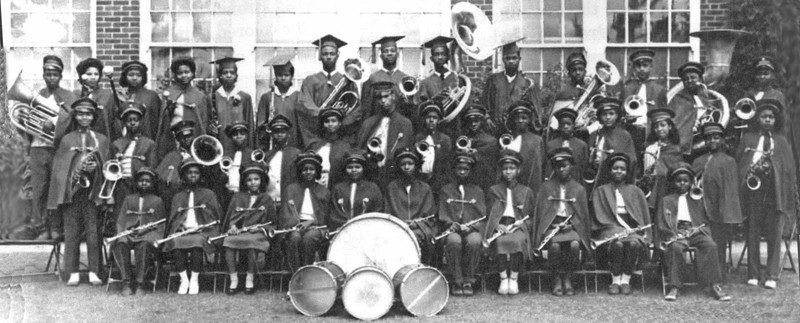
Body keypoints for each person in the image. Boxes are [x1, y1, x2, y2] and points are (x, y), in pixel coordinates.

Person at [10, 55, 78, 241]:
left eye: (55, 74)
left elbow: (71, 121)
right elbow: (24, 121)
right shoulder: (37, 95)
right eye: (48, 73)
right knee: (39, 189)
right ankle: (40, 228)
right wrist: (29, 122)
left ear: (60, 75)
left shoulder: (69, 96)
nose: (51, 77)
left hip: (58, 149)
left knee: (56, 188)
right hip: (38, 148)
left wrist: (54, 124)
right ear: (43, 74)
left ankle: (56, 228)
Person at [47, 98, 110, 286]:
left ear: (93, 116)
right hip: (71, 192)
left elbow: (107, 165)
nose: (84, 117)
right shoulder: (67, 139)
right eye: (81, 114)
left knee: (93, 232)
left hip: (93, 192)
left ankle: (94, 271)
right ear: (75, 116)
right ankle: (72, 271)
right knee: (71, 231)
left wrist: (95, 167)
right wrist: (74, 171)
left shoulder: (101, 139)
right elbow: (59, 168)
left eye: (88, 114)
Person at [735, 99, 797, 289]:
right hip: (754, 193)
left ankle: (771, 274)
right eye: (764, 116)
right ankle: (753, 273)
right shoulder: (748, 138)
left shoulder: (781, 141)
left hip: (774, 193)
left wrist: (772, 168)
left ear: (775, 120)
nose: (768, 120)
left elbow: (789, 170)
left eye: (771, 117)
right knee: (752, 233)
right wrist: (751, 171)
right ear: (758, 118)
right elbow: (740, 164)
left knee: (774, 235)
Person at [657, 164, 730, 302]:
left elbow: (706, 220)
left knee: (710, 246)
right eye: (678, 181)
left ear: (691, 182)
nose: (682, 184)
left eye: (686, 181)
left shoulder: (698, 198)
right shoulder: (667, 200)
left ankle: (714, 284)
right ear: (673, 182)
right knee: (676, 248)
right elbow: (662, 222)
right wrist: (672, 234)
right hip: (677, 232)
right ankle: (675, 286)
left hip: (696, 231)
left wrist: (697, 229)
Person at [533, 147, 591, 297]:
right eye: (558, 166)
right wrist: (552, 223)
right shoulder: (546, 187)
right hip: (552, 226)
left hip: (572, 227)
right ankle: (557, 277)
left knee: (574, 244)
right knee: (555, 247)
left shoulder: (579, 189)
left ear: (571, 166)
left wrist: (572, 225)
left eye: (564, 165)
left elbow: (582, 216)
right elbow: (542, 214)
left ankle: (569, 277)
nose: (561, 169)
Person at [591, 152, 650, 295]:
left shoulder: (636, 191)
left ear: (627, 171)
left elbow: (642, 217)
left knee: (634, 244)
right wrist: (616, 230)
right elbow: (600, 216)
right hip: (608, 228)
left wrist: (637, 229)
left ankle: (626, 279)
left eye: (622, 169)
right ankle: (615, 279)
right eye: (615, 168)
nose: (619, 171)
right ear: (610, 170)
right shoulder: (601, 190)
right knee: (617, 244)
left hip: (631, 230)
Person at [163, 157, 222, 295]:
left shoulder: (209, 194)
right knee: (177, 242)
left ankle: (194, 279)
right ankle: (184, 279)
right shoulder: (178, 196)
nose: (193, 175)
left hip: (203, 231)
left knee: (197, 243)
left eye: (196, 172)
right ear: (184, 176)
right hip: (183, 231)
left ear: (200, 175)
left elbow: (215, 215)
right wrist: (179, 227)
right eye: (189, 173)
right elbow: (174, 218)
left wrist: (203, 225)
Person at [691, 122, 743, 277]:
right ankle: (702, 274)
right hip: (700, 209)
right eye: (708, 138)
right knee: (703, 242)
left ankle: (719, 276)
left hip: (720, 210)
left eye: (716, 137)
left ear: (722, 140)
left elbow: (731, 189)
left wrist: (726, 211)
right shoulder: (698, 161)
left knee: (719, 244)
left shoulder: (729, 161)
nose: (712, 141)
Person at [221, 162, 277, 295]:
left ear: (261, 181)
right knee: (228, 241)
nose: (253, 183)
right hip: (240, 232)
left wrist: (259, 229)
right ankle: (233, 278)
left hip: (256, 232)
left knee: (252, 242)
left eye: (256, 179)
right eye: (249, 180)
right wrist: (233, 226)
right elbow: (232, 216)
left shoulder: (266, 198)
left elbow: (272, 222)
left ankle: (250, 277)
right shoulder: (238, 196)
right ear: (245, 182)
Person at [484, 150, 535, 296]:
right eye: (505, 169)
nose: (508, 172)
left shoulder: (526, 191)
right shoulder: (494, 190)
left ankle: (514, 277)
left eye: (512, 168)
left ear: (518, 170)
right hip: (500, 226)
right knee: (500, 242)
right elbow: (489, 214)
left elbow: (531, 216)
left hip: (518, 226)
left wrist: (522, 225)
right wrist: (496, 225)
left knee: (518, 241)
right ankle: (503, 278)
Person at [297, 35, 361, 145]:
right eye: (325, 54)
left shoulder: (347, 81)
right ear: (320, 56)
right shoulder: (310, 81)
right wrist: (323, 115)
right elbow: (304, 105)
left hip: (341, 136)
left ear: (337, 55)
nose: (329, 57)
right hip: (316, 135)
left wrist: (340, 124)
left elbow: (356, 109)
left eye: (332, 54)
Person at [110, 167, 166, 295]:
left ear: (152, 183)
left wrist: (147, 232)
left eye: (147, 181)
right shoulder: (129, 199)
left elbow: (160, 223)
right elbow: (121, 220)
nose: (144, 183)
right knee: (120, 243)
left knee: (144, 245)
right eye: (141, 180)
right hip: (129, 233)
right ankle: (126, 282)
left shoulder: (157, 201)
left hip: (148, 234)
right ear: (136, 183)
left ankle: (141, 282)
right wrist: (122, 233)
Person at [438, 152, 486, 296]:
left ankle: (469, 280)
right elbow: (442, 212)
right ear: (454, 170)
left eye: (466, 169)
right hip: (452, 229)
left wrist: (471, 226)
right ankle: (457, 280)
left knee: (475, 241)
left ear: (471, 171)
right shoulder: (446, 190)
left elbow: (482, 215)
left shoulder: (477, 191)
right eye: (459, 168)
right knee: (453, 241)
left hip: (472, 229)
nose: (462, 171)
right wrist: (450, 224)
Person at [356, 81, 413, 190]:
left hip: (396, 177)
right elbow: (361, 150)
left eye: (386, 96)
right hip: (373, 177)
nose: (382, 101)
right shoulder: (368, 123)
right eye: (379, 97)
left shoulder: (405, 123)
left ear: (393, 96)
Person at [109, 103, 158, 229]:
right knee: (120, 216)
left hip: (140, 187)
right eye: (129, 120)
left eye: (135, 120)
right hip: (121, 186)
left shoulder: (149, 144)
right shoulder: (117, 143)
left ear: (141, 122)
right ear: (124, 122)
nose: (132, 123)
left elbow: (151, 168)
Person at [384, 147, 437, 264]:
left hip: (419, 229)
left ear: (416, 166)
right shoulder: (392, 187)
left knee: (416, 237)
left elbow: (429, 216)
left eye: (410, 164)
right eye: (403, 164)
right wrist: (401, 223)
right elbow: (387, 213)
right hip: (396, 227)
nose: (407, 167)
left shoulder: (425, 188)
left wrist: (416, 223)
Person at [281, 151, 330, 271]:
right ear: (300, 171)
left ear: (317, 171)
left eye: (312, 169)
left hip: (317, 226)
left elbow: (326, 215)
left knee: (309, 238)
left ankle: (307, 271)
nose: (308, 172)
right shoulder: (291, 189)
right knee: (294, 238)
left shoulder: (324, 191)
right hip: (296, 224)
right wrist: (295, 224)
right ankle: (296, 273)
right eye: (305, 169)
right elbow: (286, 212)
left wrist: (312, 222)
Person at [482, 38, 541, 135]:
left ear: (519, 59)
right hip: (495, 130)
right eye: (508, 58)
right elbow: (484, 103)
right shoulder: (493, 80)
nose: (511, 61)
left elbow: (536, 112)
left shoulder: (527, 83)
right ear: (503, 60)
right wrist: (487, 118)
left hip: (519, 131)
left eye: (514, 58)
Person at [156, 57, 210, 157]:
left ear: (193, 73)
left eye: (187, 72)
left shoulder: (199, 95)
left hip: (193, 136)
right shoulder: (169, 93)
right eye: (180, 73)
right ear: (175, 75)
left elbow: (203, 121)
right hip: (173, 137)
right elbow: (163, 121)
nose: (183, 75)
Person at [618, 50, 668, 150]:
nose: (642, 69)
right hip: (631, 132)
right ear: (634, 68)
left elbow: (664, 114)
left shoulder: (659, 89)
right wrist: (625, 119)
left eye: (645, 65)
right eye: (638, 66)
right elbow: (620, 113)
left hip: (652, 133)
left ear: (651, 66)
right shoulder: (627, 88)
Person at [328, 149, 384, 231]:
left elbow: (377, 211)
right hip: (342, 229)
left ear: (363, 168)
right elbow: (334, 213)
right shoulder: (338, 188)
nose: (354, 170)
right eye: (350, 167)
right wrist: (345, 225)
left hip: (366, 229)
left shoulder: (373, 188)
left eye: (357, 167)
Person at [208, 57, 255, 153]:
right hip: (219, 144)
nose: (228, 75)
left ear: (236, 75)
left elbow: (250, 126)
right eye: (225, 73)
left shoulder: (244, 97)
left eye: (232, 73)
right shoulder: (211, 98)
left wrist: (250, 149)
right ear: (220, 75)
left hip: (240, 145)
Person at [639, 108, 683, 213]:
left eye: (663, 125)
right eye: (656, 126)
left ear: (670, 126)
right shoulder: (647, 147)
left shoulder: (675, 149)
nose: (659, 129)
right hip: (650, 189)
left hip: (668, 189)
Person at [587, 98, 638, 185]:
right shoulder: (594, 135)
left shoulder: (624, 136)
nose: (608, 117)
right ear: (599, 116)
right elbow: (588, 158)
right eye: (604, 114)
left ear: (617, 115)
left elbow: (631, 161)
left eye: (611, 114)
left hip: (617, 180)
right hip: (596, 179)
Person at [362, 35, 414, 120]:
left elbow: (410, 109)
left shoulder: (405, 79)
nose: (389, 53)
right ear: (381, 55)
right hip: (378, 122)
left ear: (397, 54)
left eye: (392, 51)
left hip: (400, 123)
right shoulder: (372, 78)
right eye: (386, 51)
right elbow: (366, 109)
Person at [418, 36, 461, 138]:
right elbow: (420, 109)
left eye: (443, 54)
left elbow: (465, 105)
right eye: (437, 54)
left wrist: (456, 100)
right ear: (431, 58)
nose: (440, 57)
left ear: (448, 57)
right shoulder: (425, 83)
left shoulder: (457, 79)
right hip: (433, 130)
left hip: (455, 127)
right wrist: (434, 100)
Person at [668, 62, 713, 157]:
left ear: (700, 79)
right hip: (684, 148)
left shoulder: (707, 98)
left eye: (693, 77)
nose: (689, 81)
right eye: (685, 79)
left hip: (706, 145)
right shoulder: (677, 99)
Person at [257, 54, 301, 149]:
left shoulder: (299, 96)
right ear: (275, 76)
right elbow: (260, 123)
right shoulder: (267, 97)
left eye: (286, 75)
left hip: (294, 142)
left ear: (292, 76)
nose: (283, 78)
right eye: (280, 75)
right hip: (272, 142)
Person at [501, 101, 544, 189]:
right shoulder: (507, 139)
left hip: (530, 183)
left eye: (524, 118)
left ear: (529, 120)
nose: (520, 121)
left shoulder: (536, 140)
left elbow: (540, 166)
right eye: (517, 118)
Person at [74, 58, 119, 141]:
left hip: (102, 137)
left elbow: (114, 121)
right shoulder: (75, 94)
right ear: (82, 75)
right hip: (80, 138)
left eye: (96, 74)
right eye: (89, 74)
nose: (93, 77)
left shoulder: (107, 95)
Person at [414, 101, 453, 197]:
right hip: (420, 179)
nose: (431, 120)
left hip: (438, 182)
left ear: (439, 120)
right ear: (424, 119)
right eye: (428, 117)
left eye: (434, 118)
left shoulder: (444, 139)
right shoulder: (418, 138)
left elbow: (446, 165)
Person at [306, 107, 352, 189]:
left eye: (334, 121)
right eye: (327, 121)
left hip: (336, 185)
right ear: (322, 124)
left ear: (339, 123)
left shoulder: (345, 146)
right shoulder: (315, 145)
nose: (330, 124)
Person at [459, 104, 500, 192]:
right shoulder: (462, 139)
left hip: (483, 182)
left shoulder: (491, 141)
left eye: (476, 121)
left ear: (481, 121)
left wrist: (475, 153)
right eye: (470, 121)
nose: (473, 124)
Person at [155, 120, 196, 207]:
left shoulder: (200, 155)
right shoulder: (171, 156)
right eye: (182, 137)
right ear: (177, 139)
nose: (186, 139)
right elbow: (159, 177)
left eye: (189, 136)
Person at [263, 116, 301, 206]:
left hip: (289, 201)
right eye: (276, 132)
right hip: (270, 201)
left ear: (288, 134)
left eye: (283, 132)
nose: (279, 135)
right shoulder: (267, 155)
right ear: (271, 134)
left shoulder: (296, 153)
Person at [119, 60, 162, 140]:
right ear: (125, 77)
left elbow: (157, 122)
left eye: (138, 75)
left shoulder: (151, 96)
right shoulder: (119, 96)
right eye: (131, 75)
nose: (135, 78)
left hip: (147, 139)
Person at [217, 122, 256, 209]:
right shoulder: (225, 154)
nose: (239, 136)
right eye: (235, 134)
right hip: (228, 195)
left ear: (246, 136)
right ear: (231, 137)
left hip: (245, 195)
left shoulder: (252, 154)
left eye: (242, 134)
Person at [545, 109, 588, 185]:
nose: (565, 126)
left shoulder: (581, 145)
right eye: (562, 124)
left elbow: (584, 167)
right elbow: (548, 168)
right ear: (558, 126)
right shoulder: (551, 145)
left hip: (575, 184)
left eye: (568, 124)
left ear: (574, 126)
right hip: (555, 184)